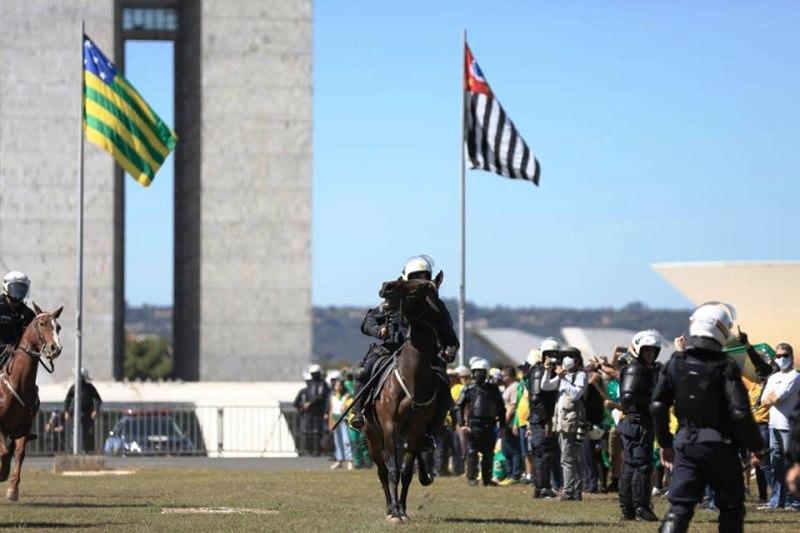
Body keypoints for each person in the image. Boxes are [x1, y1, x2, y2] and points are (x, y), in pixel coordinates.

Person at [651, 302, 769, 533]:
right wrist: (757, 447)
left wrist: (665, 443)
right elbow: (740, 411)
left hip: (685, 443)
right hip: (720, 445)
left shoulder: (675, 362)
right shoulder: (725, 366)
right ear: (723, 329)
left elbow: (657, 405)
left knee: (679, 508)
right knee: (731, 508)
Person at [350, 255, 459, 452]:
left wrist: (450, 350)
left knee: (444, 386)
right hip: (390, 350)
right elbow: (368, 322)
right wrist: (379, 331)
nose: (420, 280)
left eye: (424, 276)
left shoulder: (436, 305)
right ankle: (359, 414)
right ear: (406, 278)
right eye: (415, 276)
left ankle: (431, 434)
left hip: (425, 355)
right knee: (363, 372)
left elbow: (449, 335)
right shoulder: (394, 299)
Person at [617, 329, 663, 521]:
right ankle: (641, 508)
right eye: (646, 351)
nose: (650, 354)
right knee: (642, 466)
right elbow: (628, 396)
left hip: (637, 421)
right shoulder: (636, 368)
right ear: (638, 350)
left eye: (653, 351)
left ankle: (628, 509)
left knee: (631, 466)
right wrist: (654, 399)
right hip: (638, 422)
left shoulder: (643, 368)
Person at [542, 343, 588, 501]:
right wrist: (548, 370)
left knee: (568, 459)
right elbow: (546, 385)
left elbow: (575, 394)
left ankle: (569, 492)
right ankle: (575, 491)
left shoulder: (580, 375)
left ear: (576, 360)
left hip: (572, 422)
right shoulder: (563, 376)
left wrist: (563, 379)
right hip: (561, 422)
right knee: (570, 458)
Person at [759, 343, 800, 509]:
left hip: (789, 426)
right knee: (776, 464)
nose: (781, 358)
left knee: (790, 465)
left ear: (791, 356)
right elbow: (763, 401)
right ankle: (777, 500)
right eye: (778, 356)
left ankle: (795, 500)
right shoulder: (773, 377)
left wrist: (771, 398)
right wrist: (770, 398)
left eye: (785, 355)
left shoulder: (795, 376)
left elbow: (776, 399)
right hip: (773, 425)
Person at [456, 358, 505, 487]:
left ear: (487, 372)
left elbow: (501, 408)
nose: (479, 374)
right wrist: (462, 424)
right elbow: (458, 406)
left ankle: (487, 480)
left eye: (481, 372)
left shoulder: (494, 389)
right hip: (473, 424)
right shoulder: (469, 388)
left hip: (490, 424)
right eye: (476, 372)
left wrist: (503, 425)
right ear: (472, 373)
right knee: (472, 452)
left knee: (488, 453)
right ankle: (471, 478)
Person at [527, 340, 560, 498]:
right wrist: (546, 419)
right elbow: (536, 398)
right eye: (548, 354)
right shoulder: (539, 371)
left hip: (546, 417)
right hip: (541, 418)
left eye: (554, 354)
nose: (552, 357)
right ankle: (542, 488)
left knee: (547, 452)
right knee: (542, 452)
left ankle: (543, 486)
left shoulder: (553, 371)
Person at [0, 271, 36, 369]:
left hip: (18, 358)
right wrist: (3, 347)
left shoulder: (29, 314)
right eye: (16, 289)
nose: (19, 293)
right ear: (7, 287)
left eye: (22, 289)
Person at [64, 367, 103, 452]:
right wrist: (66, 411)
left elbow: (98, 399)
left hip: (88, 415)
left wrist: (95, 410)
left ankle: (89, 451)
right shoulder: (74, 387)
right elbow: (67, 400)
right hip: (75, 415)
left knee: (88, 433)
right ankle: (72, 451)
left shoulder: (89, 387)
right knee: (74, 434)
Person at [295, 364, 329, 456]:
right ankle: (309, 450)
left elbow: (321, 397)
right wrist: (302, 408)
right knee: (308, 432)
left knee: (317, 432)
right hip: (309, 413)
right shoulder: (308, 387)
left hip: (318, 413)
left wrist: (309, 404)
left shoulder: (323, 385)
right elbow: (296, 402)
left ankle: (317, 450)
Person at [500, 366, 522, 482]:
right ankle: (509, 474)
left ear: (510, 376)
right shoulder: (508, 387)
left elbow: (512, 407)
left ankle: (515, 474)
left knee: (514, 449)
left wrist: (504, 422)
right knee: (506, 449)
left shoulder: (515, 387)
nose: (502, 377)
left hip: (511, 422)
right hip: (506, 422)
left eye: (504, 375)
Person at [328, 377, 353, 470]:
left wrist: (345, 406)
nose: (337, 386)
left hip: (344, 420)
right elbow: (331, 409)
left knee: (346, 441)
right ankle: (339, 460)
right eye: (336, 385)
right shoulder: (332, 396)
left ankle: (349, 460)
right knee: (337, 441)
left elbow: (348, 406)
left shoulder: (347, 396)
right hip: (335, 419)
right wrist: (330, 422)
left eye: (339, 385)